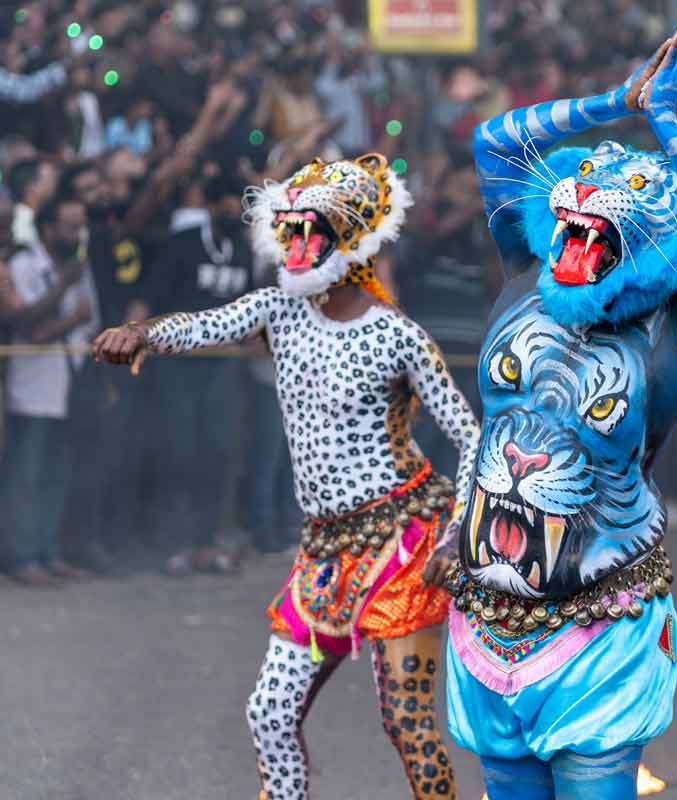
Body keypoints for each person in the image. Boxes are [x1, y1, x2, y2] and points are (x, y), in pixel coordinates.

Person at [93, 152, 479, 800]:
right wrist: (143, 332)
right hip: (324, 553)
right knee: (268, 714)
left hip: (404, 545)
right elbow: (205, 323)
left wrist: (455, 540)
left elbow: (470, 436)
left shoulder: (397, 336)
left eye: (311, 232)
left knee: (407, 724)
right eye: (288, 231)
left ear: (351, 241)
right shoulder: (277, 308)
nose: (294, 247)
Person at [444, 25, 677, 799]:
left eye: (629, 192)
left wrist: (665, 125)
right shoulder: (524, 272)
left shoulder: (674, 337)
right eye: (585, 177)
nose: (591, 189)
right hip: (487, 608)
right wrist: (612, 102)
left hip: (599, 625)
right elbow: (494, 141)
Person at [140, 166, 255, 576]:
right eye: (225, 202)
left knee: (217, 454)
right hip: (179, 370)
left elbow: (248, 314)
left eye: (237, 204)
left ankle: (207, 542)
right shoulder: (182, 246)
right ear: (209, 206)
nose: (231, 210)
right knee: (179, 452)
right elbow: (148, 302)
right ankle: (177, 543)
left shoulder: (242, 252)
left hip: (222, 372)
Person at [0, 192, 99, 585]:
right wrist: (64, 300)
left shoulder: (79, 267)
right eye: (69, 227)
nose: (76, 235)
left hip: (69, 384)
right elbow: (28, 326)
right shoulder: (23, 266)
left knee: (57, 475)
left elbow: (89, 322)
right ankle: (22, 557)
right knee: (26, 477)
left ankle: (47, 551)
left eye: (81, 227)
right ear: (47, 229)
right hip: (32, 389)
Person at [9, 158, 58, 249]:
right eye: (51, 180)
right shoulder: (21, 224)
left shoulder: (38, 217)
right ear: (32, 188)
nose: (56, 185)